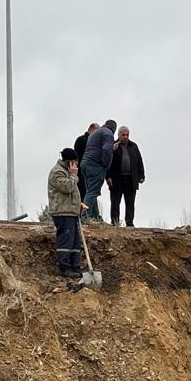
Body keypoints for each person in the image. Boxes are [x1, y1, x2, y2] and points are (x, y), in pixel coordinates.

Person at [47, 148, 86, 279]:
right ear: (69, 161)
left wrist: (78, 203)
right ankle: (64, 267)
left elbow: (71, 192)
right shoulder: (57, 172)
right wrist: (74, 175)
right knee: (66, 240)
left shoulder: (67, 172)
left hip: (71, 211)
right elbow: (67, 187)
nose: (77, 164)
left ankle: (75, 266)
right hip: (62, 212)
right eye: (75, 161)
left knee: (75, 242)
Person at [108, 124, 145, 227]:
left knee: (130, 203)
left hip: (131, 179)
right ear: (118, 135)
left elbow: (139, 161)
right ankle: (115, 223)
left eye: (127, 135)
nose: (125, 137)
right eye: (123, 135)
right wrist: (108, 176)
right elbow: (108, 162)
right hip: (116, 179)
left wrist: (141, 175)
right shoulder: (113, 146)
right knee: (115, 202)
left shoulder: (134, 146)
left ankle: (129, 223)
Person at [80, 118, 116, 221]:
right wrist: (105, 164)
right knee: (92, 192)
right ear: (114, 128)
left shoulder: (96, 133)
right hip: (95, 165)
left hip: (85, 163)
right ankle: (84, 216)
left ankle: (95, 216)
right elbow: (106, 150)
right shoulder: (108, 133)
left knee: (90, 191)